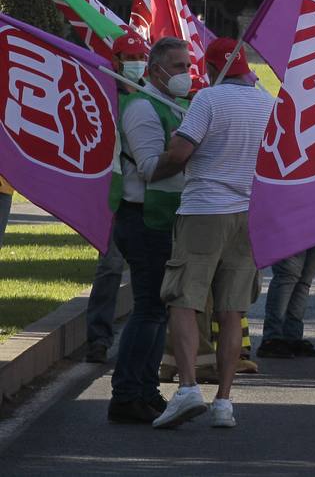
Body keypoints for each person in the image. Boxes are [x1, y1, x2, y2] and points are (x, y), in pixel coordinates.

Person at [150, 37, 275, 429]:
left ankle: (188, 388)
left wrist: (151, 172)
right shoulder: (268, 103)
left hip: (204, 210)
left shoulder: (208, 101)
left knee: (183, 300)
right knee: (232, 310)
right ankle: (224, 401)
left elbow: (180, 154)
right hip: (247, 215)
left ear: (213, 69)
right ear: (246, 68)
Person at [106, 37, 191, 424]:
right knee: (149, 310)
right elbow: (150, 168)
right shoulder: (142, 107)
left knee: (158, 309)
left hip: (161, 218)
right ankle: (125, 395)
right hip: (143, 219)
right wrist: (188, 153)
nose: (184, 74)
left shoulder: (172, 105)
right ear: (155, 70)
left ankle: (145, 390)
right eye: (176, 67)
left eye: (186, 66)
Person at [85, 32, 151, 363]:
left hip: (147, 202)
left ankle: (144, 340)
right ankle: (98, 338)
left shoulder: (154, 98)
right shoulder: (104, 98)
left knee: (148, 274)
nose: (137, 64)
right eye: (130, 58)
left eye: (142, 58)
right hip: (114, 199)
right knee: (110, 268)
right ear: (116, 62)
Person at [258, 241, 315, 360]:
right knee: (287, 275)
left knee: (305, 279)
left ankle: (292, 337)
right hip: (291, 226)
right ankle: (272, 338)